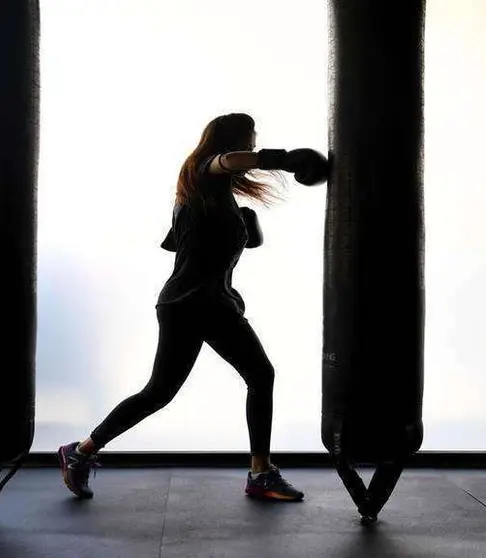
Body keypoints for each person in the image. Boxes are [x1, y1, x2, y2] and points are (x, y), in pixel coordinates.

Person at [57, 112, 327, 502]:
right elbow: (227, 161)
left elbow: (192, 244)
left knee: (229, 380)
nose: (251, 146)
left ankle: (80, 452)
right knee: (167, 391)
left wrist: (242, 227)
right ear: (230, 140)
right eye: (249, 139)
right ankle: (259, 473)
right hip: (191, 303)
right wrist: (283, 158)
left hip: (206, 303)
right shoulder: (204, 170)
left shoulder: (209, 198)